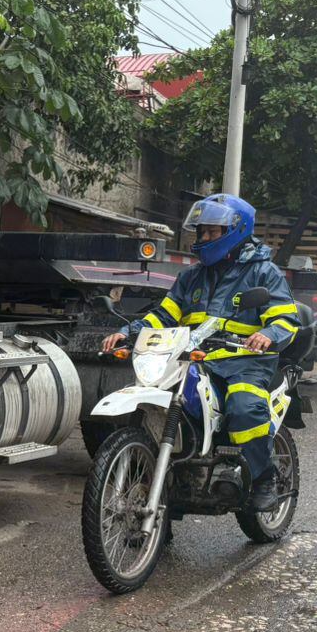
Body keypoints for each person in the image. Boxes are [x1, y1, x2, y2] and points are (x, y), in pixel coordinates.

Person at [100, 193, 299, 511]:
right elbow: (162, 317)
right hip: (197, 359)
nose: (203, 239)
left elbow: (286, 318)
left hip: (245, 362)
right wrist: (127, 333)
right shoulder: (191, 277)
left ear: (236, 230)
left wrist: (267, 334)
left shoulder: (264, 273)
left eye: (211, 232)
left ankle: (265, 479)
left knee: (245, 406)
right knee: (167, 404)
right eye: (201, 232)